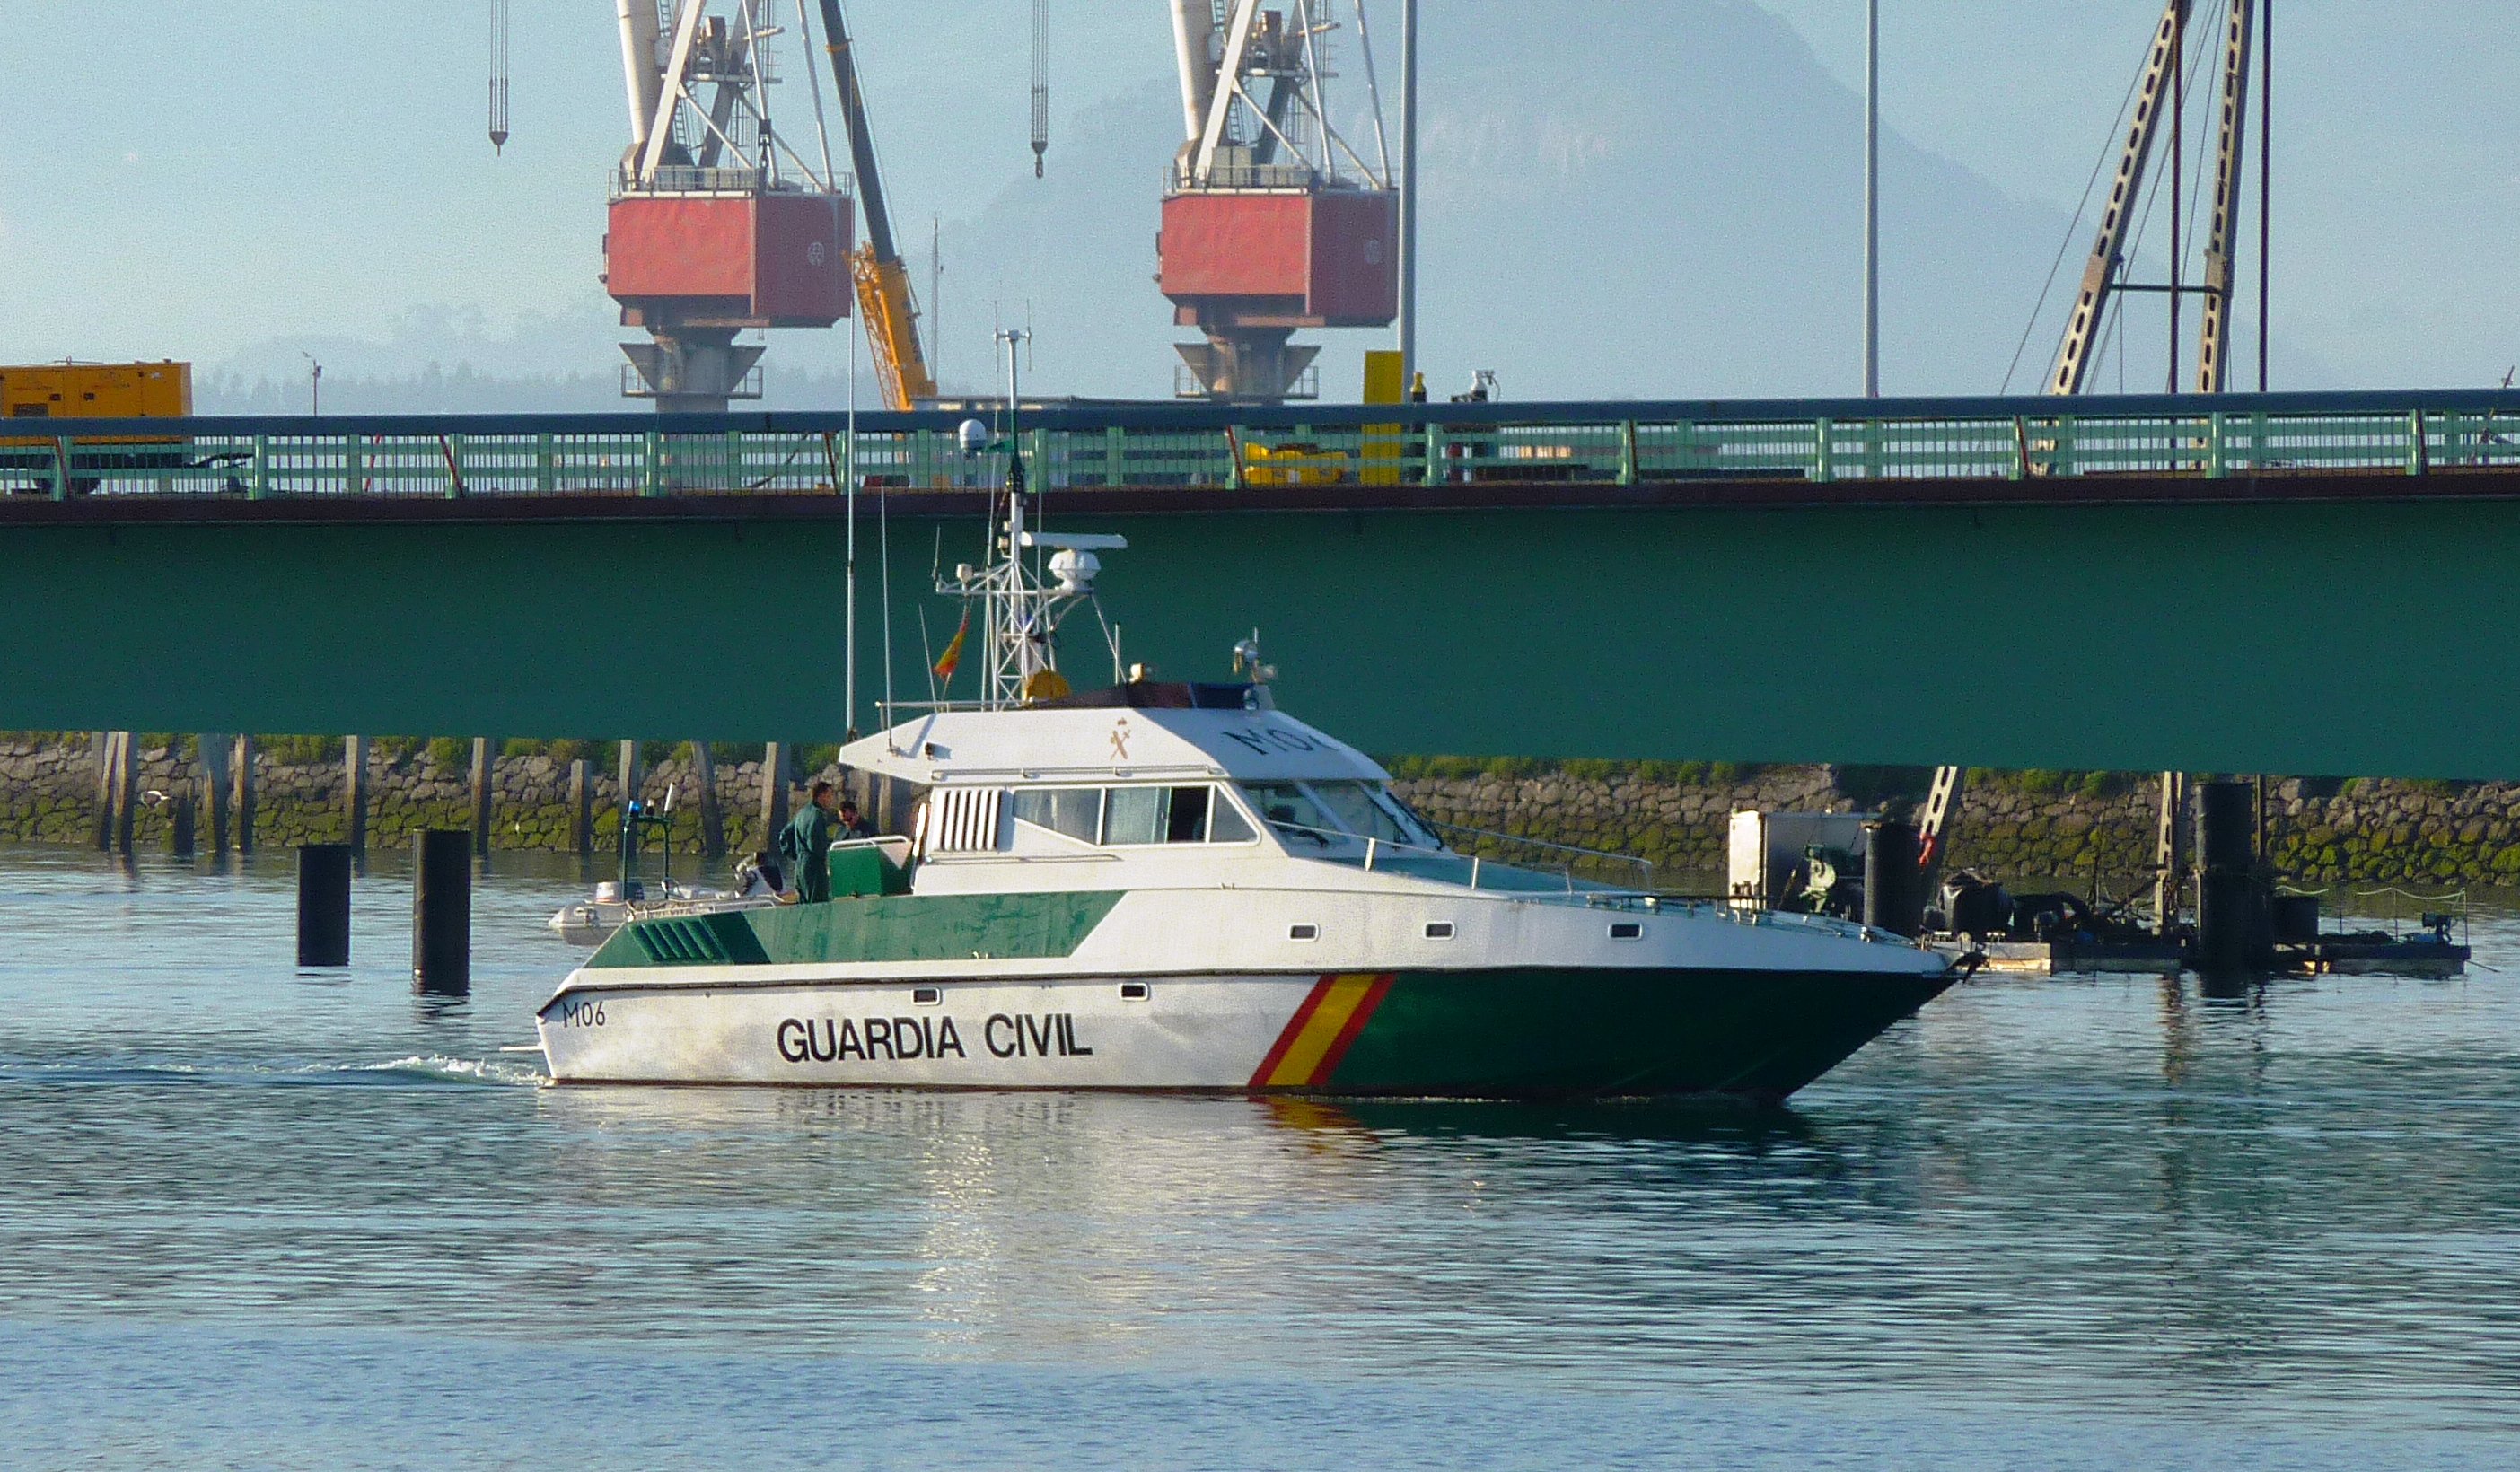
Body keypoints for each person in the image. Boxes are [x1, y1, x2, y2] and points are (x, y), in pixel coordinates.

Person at [778, 781, 840, 903]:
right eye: (829, 796)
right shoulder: (817, 816)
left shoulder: (802, 813)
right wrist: (827, 859)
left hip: (800, 868)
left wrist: (795, 855)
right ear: (821, 796)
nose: (831, 800)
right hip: (814, 868)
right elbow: (816, 845)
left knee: (803, 904)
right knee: (818, 906)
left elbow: (784, 835)